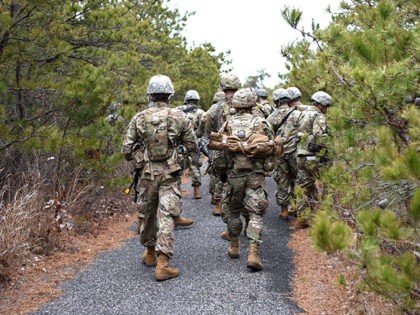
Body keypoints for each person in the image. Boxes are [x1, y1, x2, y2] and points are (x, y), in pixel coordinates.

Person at [122, 74, 198, 281]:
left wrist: (142, 158)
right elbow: (192, 146)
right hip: (170, 174)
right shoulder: (180, 117)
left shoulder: (139, 117)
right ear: (170, 96)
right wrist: (187, 161)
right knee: (166, 214)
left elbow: (127, 150)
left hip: (146, 174)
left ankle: (149, 254)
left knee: (147, 213)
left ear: (150, 95)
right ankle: (163, 263)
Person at [215, 88, 274, 271]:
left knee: (233, 211)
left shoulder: (228, 124)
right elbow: (272, 148)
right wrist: (267, 169)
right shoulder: (262, 123)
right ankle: (253, 252)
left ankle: (234, 246)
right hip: (255, 176)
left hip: (234, 176)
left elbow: (219, 153)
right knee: (256, 213)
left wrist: (222, 173)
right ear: (252, 103)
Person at [294, 91, 333, 229]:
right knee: (329, 182)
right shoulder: (319, 116)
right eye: (326, 106)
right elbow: (319, 136)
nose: (327, 109)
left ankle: (302, 219)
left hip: (300, 155)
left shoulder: (302, 114)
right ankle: (327, 217)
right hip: (313, 156)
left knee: (304, 187)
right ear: (321, 105)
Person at [204, 74, 241, 216]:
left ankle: (219, 205)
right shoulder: (246, 106)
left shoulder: (214, 108)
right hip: (240, 150)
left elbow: (207, 132)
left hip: (220, 150)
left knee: (220, 178)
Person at [177, 90, 205, 199]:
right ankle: (196, 191)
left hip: (181, 143)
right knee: (195, 165)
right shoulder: (201, 112)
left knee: (178, 165)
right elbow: (202, 128)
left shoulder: (178, 110)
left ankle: (177, 189)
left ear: (186, 99)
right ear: (197, 100)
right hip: (194, 142)